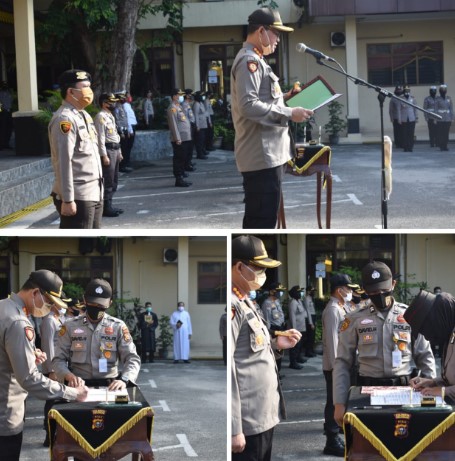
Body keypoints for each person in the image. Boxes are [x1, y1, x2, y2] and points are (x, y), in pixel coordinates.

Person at [230, 7, 313, 229]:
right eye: (276, 34)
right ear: (261, 31)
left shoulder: (256, 60)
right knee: (261, 222)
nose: (277, 40)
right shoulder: (250, 62)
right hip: (261, 156)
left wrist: (287, 98)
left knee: (265, 218)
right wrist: (289, 112)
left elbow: (264, 100)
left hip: (267, 155)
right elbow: (248, 106)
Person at [333, 261, 437, 427]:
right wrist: (339, 402)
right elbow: (343, 363)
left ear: (393, 284)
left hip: (405, 391)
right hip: (367, 392)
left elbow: (425, 356)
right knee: (370, 447)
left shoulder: (410, 315)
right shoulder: (354, 318)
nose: (379, 295)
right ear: (365, 290)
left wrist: (431, 393)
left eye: (383, 290)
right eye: (373, 291)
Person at [0, 270, 88, 461]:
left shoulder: (3, 307)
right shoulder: (18, 322)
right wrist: (72, 393)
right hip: (5, 414)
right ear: (35, 293)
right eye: (49, 303)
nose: (48, 308)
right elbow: (29, 379)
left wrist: (29, 354)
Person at [231, 235, 301, 460]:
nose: (262, 275)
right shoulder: (232, 305)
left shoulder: (246, 300)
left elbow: (251, 346)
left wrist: (276, 344)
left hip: (263, 413)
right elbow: (229, 369)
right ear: (239, 266)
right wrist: (234, 428)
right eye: (258, 268)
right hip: (247, 420)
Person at [53, 278, 141, 389]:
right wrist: (68, 376)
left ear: (109, 303)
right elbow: (58, 359)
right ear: (84, 300)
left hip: (111, 388)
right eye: (92, 303)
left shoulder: (117, 326)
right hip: (78, 387)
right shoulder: (70, 326)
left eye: (100, 306)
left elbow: (132, 358)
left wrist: (124, 379)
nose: (96, 308)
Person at [48, 69, 103, 229]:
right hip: (78, 195)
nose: (90, 91)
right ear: (70, 92)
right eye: (85, 87)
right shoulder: (64, 119)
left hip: (94, 191)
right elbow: (63, 162)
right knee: (79, 242)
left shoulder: (82, 114)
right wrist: (67, 199)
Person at [321, 273, 357, 457]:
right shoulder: (333, 310)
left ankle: (337, 432)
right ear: (339, 289)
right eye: (348, 288)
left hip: (343, 364)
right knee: (333, 402)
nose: (350, 291)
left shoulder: (342, 308)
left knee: (342, 399)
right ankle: (331, 439)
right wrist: (338, 368)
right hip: (335, 366)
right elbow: (332, 341)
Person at [405, 290, 455, 404]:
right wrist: (433, 382)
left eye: (427, 328)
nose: (427, 337)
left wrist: (443, 391)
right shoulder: (449, 334)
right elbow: (451, 380)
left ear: (438, 317)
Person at [40, 292, 71, 447]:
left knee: (60, 399)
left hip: (61, 366)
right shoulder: (49, 320)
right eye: (61, 303)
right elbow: (47, 345)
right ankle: (49, 434)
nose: (63, 306)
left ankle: (59, 432)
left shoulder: (60, 319)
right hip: (53, 368)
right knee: (51, 400)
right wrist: (52, 370)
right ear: (53, 303)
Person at [94, 92, 124, 218]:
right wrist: (103, 155)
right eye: (111, 102)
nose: (113, 104)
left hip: (115, 149)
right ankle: (106, 207)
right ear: (104, 103)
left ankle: (110, 205)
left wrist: (120, 151)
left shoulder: (109, 115)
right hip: (108, 150)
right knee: (108, 179)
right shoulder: (100, 116)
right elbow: (100, 137)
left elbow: (115, 135)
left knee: (114, 179)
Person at [166, 88, 193, 187]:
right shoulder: (172, 108)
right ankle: (178, 178)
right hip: (180, 138)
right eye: (178, 95)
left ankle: (181, 176)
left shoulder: (178, 107)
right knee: (179, 159)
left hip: (185, 137)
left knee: (183, 157)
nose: (180, 96)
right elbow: (173, 124)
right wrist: (177, 138)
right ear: (174, 96)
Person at [261, 281, 287, 373]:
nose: (280, 293)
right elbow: (267, 320)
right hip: (273, 330)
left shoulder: (277, 301)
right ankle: (275, 374)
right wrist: (269, 334)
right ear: (272, 291)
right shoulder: (267, 303)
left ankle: (278, 373)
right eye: (278, 291)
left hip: (280, 328)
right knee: (274, 352)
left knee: (280, 351)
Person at [287, 285, 313, 370]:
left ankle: (298, 358)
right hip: (296, 327)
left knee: (300, 344)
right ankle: (293, 362)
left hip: (302, 326)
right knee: (294, 345)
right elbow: (292, 316)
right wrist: (293, 329)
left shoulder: (299, 301)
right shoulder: (293, 302)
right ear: (295, 294)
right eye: (298, 292)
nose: (300, 294)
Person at [114, 91, 133, 172]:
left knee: (125, 149)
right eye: (121, 98)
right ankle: (121, 166)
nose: (123, 99)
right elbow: (117, 121)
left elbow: (125, 120)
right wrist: (121, 132)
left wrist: (128, 131)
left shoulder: (122, 107)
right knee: (122, 149)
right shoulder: (117, 108)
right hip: (121, 130)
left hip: (125, 130)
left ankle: (124, 165)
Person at [398, 85, 418, 152]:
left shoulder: (412, 98)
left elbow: (415, 108)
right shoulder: (401, 98)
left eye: (408, 90)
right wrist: (399, 119)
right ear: (404, 91)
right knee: (404, 133)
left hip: (412, 118)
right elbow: (399, 110)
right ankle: (405, 147)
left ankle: (410, 147)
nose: (407, 91)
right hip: (404, 119)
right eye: (406, 90)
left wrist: (416, 117)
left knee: (411, 133)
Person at [435, 84, 453, 151]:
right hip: (440, 118)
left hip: (447, 118)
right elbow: (435, 109)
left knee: (446, 133)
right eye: (442, 89)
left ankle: (445, 145)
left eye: (445, 89)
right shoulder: (437, 99)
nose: (443, 91)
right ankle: (441, 146)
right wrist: (435, 118)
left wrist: (452, 118)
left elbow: (451, 109)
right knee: (440, 133)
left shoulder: (449, 98)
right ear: (440, 90)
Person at [182, 89, 197, 172]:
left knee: (190, 146)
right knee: (188, 147)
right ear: (187, 95)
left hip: (191, 126)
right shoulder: (184, 105)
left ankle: (189, 162)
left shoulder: (187, 104)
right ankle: (187, 164)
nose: (191, 96)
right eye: (190, 94)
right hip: (188, 126)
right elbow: (184, 117)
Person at [192, 91, 209, 160]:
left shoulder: (200, 103)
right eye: (200, 96)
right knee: (199, 140)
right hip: (200, 125)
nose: (202, 97)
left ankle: (202, 151)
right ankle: (199, 154)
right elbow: (195, 115)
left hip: (203, 124)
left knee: (202, 139)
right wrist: (197, 126)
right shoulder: (196, 104)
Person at [123, 92, 138, 164]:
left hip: (132, 125)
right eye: (128, 96)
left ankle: (127, 162)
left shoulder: (128, 105)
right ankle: (126, 162)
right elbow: (127, 118)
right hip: (130, 126)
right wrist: (130, 130)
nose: (130, 97)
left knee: (129, 146)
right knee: (128, 146)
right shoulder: (125, 106)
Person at [305, 286, 317, 357]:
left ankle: (311, 350)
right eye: (312, 291)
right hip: (310, 318)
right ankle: (308, 351)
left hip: (313, 317)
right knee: (310, 336)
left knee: (312, 336)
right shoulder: (306, 299)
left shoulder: (311, 299)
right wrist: (311, 322)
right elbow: (308, 311)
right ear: (309, 291)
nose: (314, 292)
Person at [0, 80, 13, 149]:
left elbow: (11, 102)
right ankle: (1, 145)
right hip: (3, 112)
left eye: (6, 84)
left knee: (9, 128)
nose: (5, 86)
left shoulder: (9, 93)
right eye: (3, 84)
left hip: (9, 112)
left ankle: (6, 144)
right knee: (2, 129)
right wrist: (1, 111)